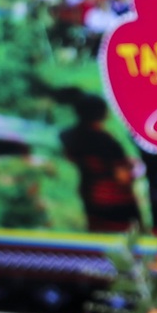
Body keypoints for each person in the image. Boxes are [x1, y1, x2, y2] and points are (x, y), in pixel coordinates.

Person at [58, 93, 142, 234]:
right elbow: (122, 177)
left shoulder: (67, 137)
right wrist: (137, 169)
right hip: (117, 206)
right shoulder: (107, 142)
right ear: (103, 113)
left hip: (89, 202)